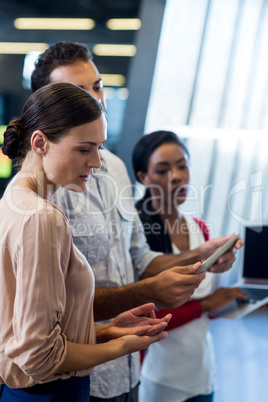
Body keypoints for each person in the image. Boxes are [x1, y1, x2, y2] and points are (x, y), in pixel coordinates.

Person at [30, 41, 242, 402]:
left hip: (130, 371)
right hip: (78, 379)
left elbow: (138, 258)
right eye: (77, 92)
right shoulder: (39, 196)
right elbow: (54, 310)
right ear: (45, 109)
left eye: (97, 86)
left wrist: (197, 255)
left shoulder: (113, 166)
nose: (95, 100)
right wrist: (151, 292)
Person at [0, 83, 176, 401]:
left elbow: (22, 337)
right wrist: (120, 346)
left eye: (99, 148)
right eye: (84, 149)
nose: (96, 162)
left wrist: (108, 330)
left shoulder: (14, 198)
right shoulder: (42, 218)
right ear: (39, 143)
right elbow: (39, 357)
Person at [132, 131, 247, 402]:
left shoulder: (200, 228)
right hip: (159, 376)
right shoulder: (137, 235)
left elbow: (203, 303)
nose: (177, 176)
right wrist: (207, 305)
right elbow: (140, 318)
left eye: (182, 166)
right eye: (163, 170)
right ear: (143, 178)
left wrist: (228, 301)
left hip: (202, 370)